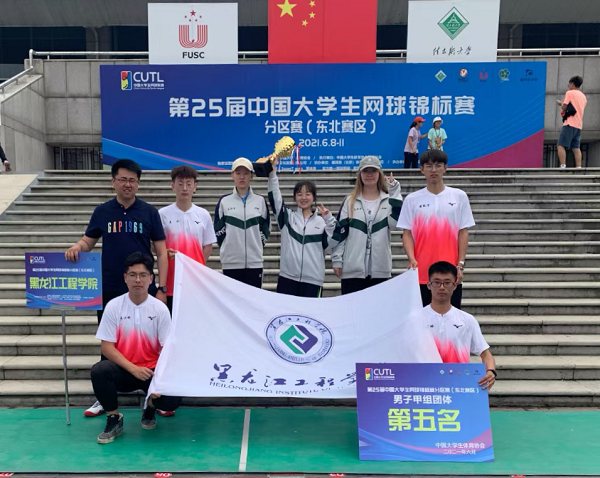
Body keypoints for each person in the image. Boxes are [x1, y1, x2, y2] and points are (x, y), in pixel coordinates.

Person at [65, 159, 169, 418]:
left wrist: (162, 287)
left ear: (138, 183)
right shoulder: (103, 211)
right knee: (109, 341)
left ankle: (155, 391)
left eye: (132, 180)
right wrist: (77, 247)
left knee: (150, 340)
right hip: (110, 286)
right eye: (123, 179)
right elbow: (88, 241)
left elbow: (161, 252)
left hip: (143, 287)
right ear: (113, 181)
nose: (127, 184)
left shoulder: (149, 212)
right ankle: (105, 397)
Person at [91, 252, 182, 444]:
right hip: (125, 370)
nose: (138, 280)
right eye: (132, 275)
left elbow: (168, 348)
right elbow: (106, 347)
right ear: (125, 278)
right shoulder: (114, 306)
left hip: (151, 372)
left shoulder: (159, 308)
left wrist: (160, 380)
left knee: (172, 399)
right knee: (100, 370)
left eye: (143, 275)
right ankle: (114, 418)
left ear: (151, 279)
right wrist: (133, 369)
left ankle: (150, 406)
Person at [398, 150, 475, 309]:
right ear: (422, 169)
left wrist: (460, 264)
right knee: (421, 320)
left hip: (450, 273)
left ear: (445, 168)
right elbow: (407, 234)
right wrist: (411, 258)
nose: (433, 170)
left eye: (438, 165)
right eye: (429, 166)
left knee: (451, 317)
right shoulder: (412, 200)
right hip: (421, 273)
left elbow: (463, 232)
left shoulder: (459, 196)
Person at [416, 261, 496, 391]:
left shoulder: (467, 320)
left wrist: (491, 371)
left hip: (458, 385)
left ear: (455, 285)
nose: (442, 287)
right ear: (429, 285)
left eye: (447, 283)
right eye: (437, 282)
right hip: (425, 384)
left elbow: (485, 353)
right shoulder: (415, 319)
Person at [332, 156, 402, 295]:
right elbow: (341, 234)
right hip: (352, 270)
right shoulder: (350, 201)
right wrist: (337, 260)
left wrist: (395, 194)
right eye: (365, 171)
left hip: (380, 270)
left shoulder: (388, 200)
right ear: (360, 174)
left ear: (379, 174)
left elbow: (395, 224)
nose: (369, 174)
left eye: (373, 171)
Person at [268, 168, 337, 297]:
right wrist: (272, 175)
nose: (303, 198)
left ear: (314, 197)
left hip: (313, 281)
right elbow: (275, 198)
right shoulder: (287, 217)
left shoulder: (322, 223)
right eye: (299, 194)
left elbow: (330, 246)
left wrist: (329, 220)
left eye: (308, 194)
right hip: (287, 279)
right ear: (294, 198)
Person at [160, 165, 216, 314]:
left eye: (188, 184)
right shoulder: (163, 214)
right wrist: (165, 253)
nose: (184, 188)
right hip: (171, 280)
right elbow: (156, 246)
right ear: (173, 186)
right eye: (180, 184)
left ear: (195, 186)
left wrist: (196, 265)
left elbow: (208, 246)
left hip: (195, 281)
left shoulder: (203, 214)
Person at [214, 157, 270, 288]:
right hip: (230, 263)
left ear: (252, 176)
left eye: (246, 173)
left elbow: (266, 228)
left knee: (253, 299)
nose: (242, 177)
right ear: (232, 175)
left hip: (255, 263)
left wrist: (257, 245)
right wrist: (228, 248)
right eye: (238, 173)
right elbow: (218, 230)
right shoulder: (224, 202)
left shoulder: (260, 201)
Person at [557, 75, 587, 169]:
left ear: (572, 84)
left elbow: (565, 107)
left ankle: (563, 165)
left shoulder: (569, 93)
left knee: (561, 145)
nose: (569, 86)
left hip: (569, 123)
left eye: (569, 84)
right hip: (578, 125)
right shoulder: (583, 96)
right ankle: (579, 167)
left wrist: (561, 104)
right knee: (576, 147)